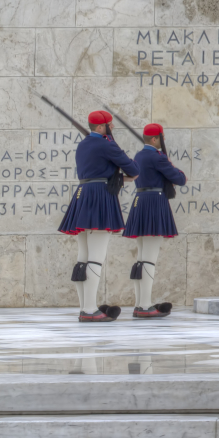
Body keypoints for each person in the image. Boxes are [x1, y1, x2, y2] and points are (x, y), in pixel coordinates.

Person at [58, 111, 139, 323]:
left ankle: (85, 308)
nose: (112, 129)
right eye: (110, 126)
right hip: (100, 197)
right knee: (95, 257)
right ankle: (91, 309)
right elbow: (132, 168)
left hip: (82, 195)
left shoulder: (83, 144)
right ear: (102, 127)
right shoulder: (106, 144)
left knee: (83, 257)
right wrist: (112, 140)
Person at [122, 123, 186, 319]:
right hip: (154, 203)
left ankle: (139, 303)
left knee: (142, 258)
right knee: (149, 259)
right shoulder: (157, 157)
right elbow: (180, 179)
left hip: (140, 201)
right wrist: (173, 167)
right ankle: (145, 305)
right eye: (162, 138)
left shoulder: (140, 156)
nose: (163, 141)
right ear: (154, 139)